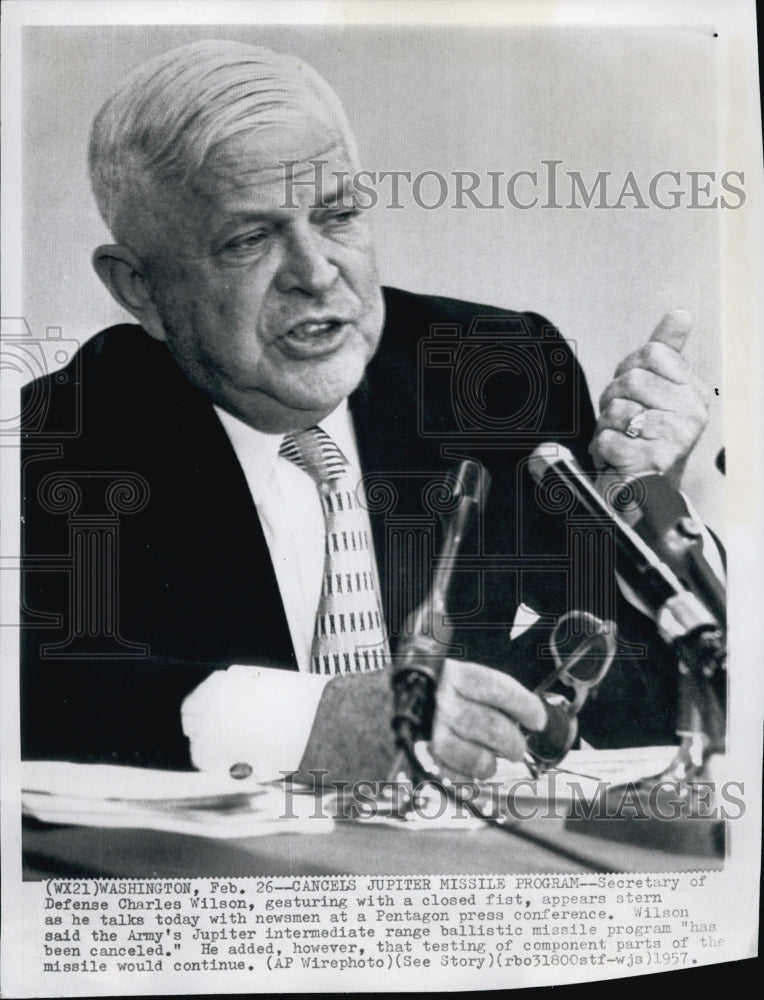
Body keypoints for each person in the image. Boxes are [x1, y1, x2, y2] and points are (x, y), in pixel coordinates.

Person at [20, 39, 716, 785]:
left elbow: (635, 703)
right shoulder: (59, 440)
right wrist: (310, 723)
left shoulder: (502, 375)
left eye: (339, 214)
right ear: (140, 290)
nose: (317, 273)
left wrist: (643, 508)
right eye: (249, 240)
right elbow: (38, 695)